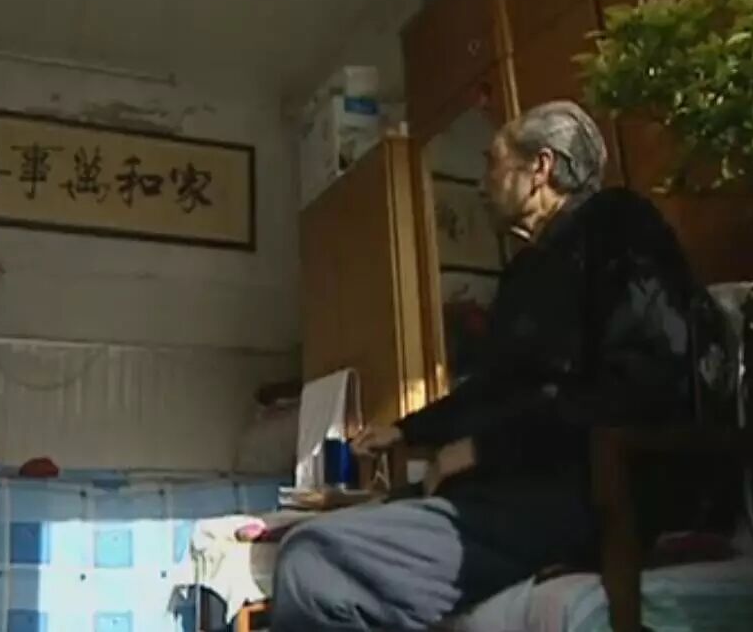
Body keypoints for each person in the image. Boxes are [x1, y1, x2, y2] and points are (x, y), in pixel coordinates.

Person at [270, 101, 726, 631]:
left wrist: (485, 448)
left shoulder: (617, 226)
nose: (482, 181)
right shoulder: (528, 269)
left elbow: (635, 386)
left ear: (541, 168)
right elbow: (495, 388)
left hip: (593, 490)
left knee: (313, 561)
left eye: (493, 162)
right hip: (517, 484)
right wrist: (405, 430)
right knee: (318, 525)